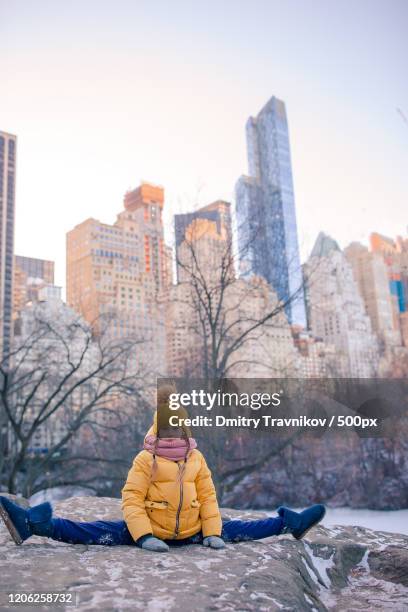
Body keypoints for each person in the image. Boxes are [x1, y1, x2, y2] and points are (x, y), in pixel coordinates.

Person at [0, 387, 325, 552]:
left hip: (193, 532)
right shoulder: (145, 460)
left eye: (178, 428)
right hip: (149, 530)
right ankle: (32, 526)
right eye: (167, 428)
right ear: (157, 429)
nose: (173, 434)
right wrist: (143, 536)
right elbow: (131, 499)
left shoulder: (196, 460)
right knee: (93, 531)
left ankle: (290, 524)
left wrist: (211, 533)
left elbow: (209, 498)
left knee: (244, 528)